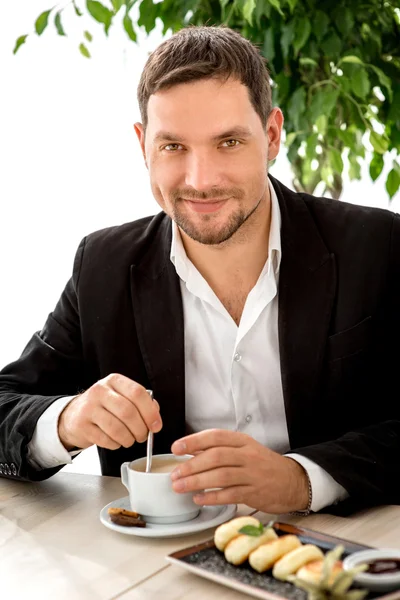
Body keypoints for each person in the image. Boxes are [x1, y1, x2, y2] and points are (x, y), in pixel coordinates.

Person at [0, 25, 399, 517]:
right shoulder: (102, 265)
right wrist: (64, 421)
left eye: (228, 142)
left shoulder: (379, 246)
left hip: (344, 558)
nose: (200, 180)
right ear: (143, 144)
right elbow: (4, 405)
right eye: (173, 147)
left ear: (271, 136)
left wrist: (304, 478)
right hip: (157, 571)